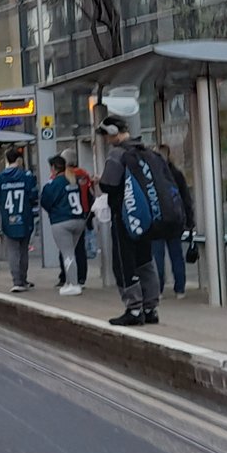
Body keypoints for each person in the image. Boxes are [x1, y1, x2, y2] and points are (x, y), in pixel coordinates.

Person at [98, 116, 162, 325]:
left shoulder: (118, 154)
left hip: (124, 215)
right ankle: (151, 307)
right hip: (145, 218)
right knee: (145, 259)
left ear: (114, 131)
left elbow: (108, 184)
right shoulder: (145, 151)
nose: (107, 140)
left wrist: (100, 181)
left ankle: (133, 309)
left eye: (107, 135)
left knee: (124, 262)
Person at [41, 155, 88, 296]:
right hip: (79, 219)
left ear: (54, 168)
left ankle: (73, 284)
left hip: (61, 221)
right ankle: (71, 281)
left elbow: (45, 201)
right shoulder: (73, 180)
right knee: (72, 251)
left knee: (67, 253)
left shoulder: (53, 184)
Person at [152, 145, 195, 299]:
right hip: (175, 221)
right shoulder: (176, 174)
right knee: (176, 255)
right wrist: (189, 220)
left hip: (157, 221)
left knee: (157, 256)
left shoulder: (152, 175)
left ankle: (159, 289)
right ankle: (180, 289)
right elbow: (185, 198)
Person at [0, 149, 38, 292]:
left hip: (8, 218)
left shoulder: (0, 178)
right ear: (19, 159)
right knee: (23, 249)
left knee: (12, 250)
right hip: (25, 217)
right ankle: (23, 279)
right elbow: (33, 195)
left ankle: (16, 281)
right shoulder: (26, 175)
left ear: (6, 160)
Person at [58, 150, 94, 288]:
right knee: (80, 248)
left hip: (66, 215)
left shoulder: (62, 177)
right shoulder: (84, 175)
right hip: (82, 214)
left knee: (65, 248)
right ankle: (81, 277)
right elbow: (90, 194)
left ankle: (66, 276)